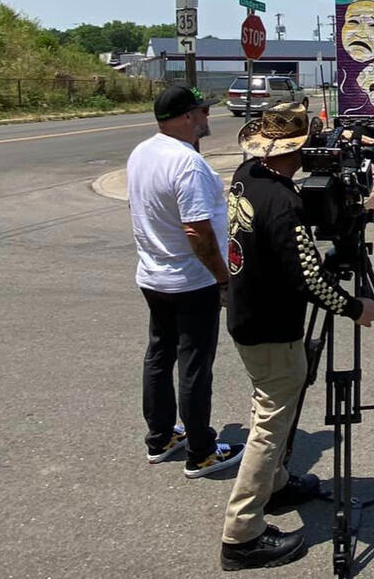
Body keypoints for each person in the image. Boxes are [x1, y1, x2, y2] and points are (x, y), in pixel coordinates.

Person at [219, 103, 374, 572]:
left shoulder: (248, 175)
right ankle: (241, 533)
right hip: (271, 326)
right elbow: (309, 277)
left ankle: (277, 483)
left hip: (245, 315)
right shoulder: (285, 203)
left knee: (268, 400)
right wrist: (355, 308)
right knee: (270, 422)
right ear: (301, 148)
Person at [126, 83, 245, 479]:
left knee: (159, 355)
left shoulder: (142, 152)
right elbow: (197, 230)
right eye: (202, 111)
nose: (208, 116)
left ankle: (161, 437)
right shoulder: (188, 164)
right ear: (185, 118)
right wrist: (222, 278)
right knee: (195, 364)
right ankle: (202, 451)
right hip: (191, 279)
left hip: (153, 273)